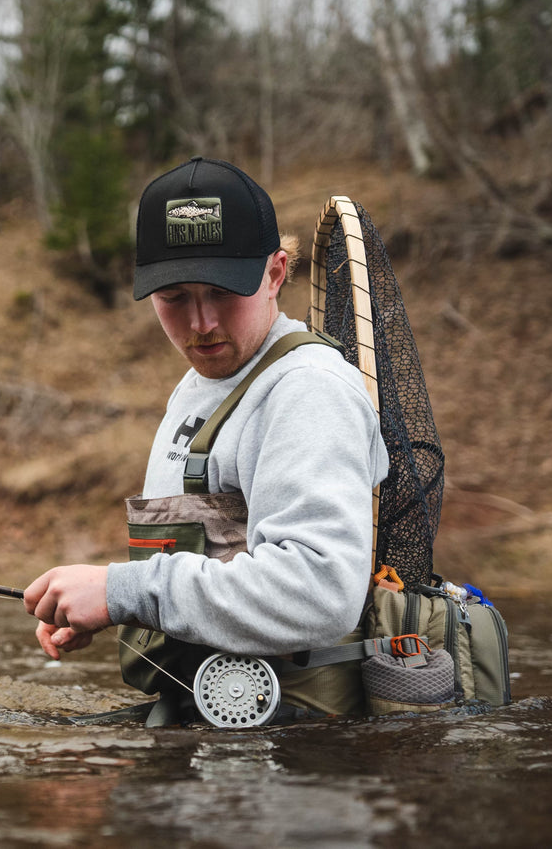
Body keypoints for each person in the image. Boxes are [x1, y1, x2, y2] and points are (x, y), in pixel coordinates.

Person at [23, 157, 390, 725]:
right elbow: (201, 564)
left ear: (275, 273)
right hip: (215, 729)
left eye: (223, 292)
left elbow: (321, 589)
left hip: (299, 749)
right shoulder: (204, 383)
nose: (201, 324)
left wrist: (126, 593)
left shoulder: (307, 392)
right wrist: (104, 603)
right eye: (173, 298)